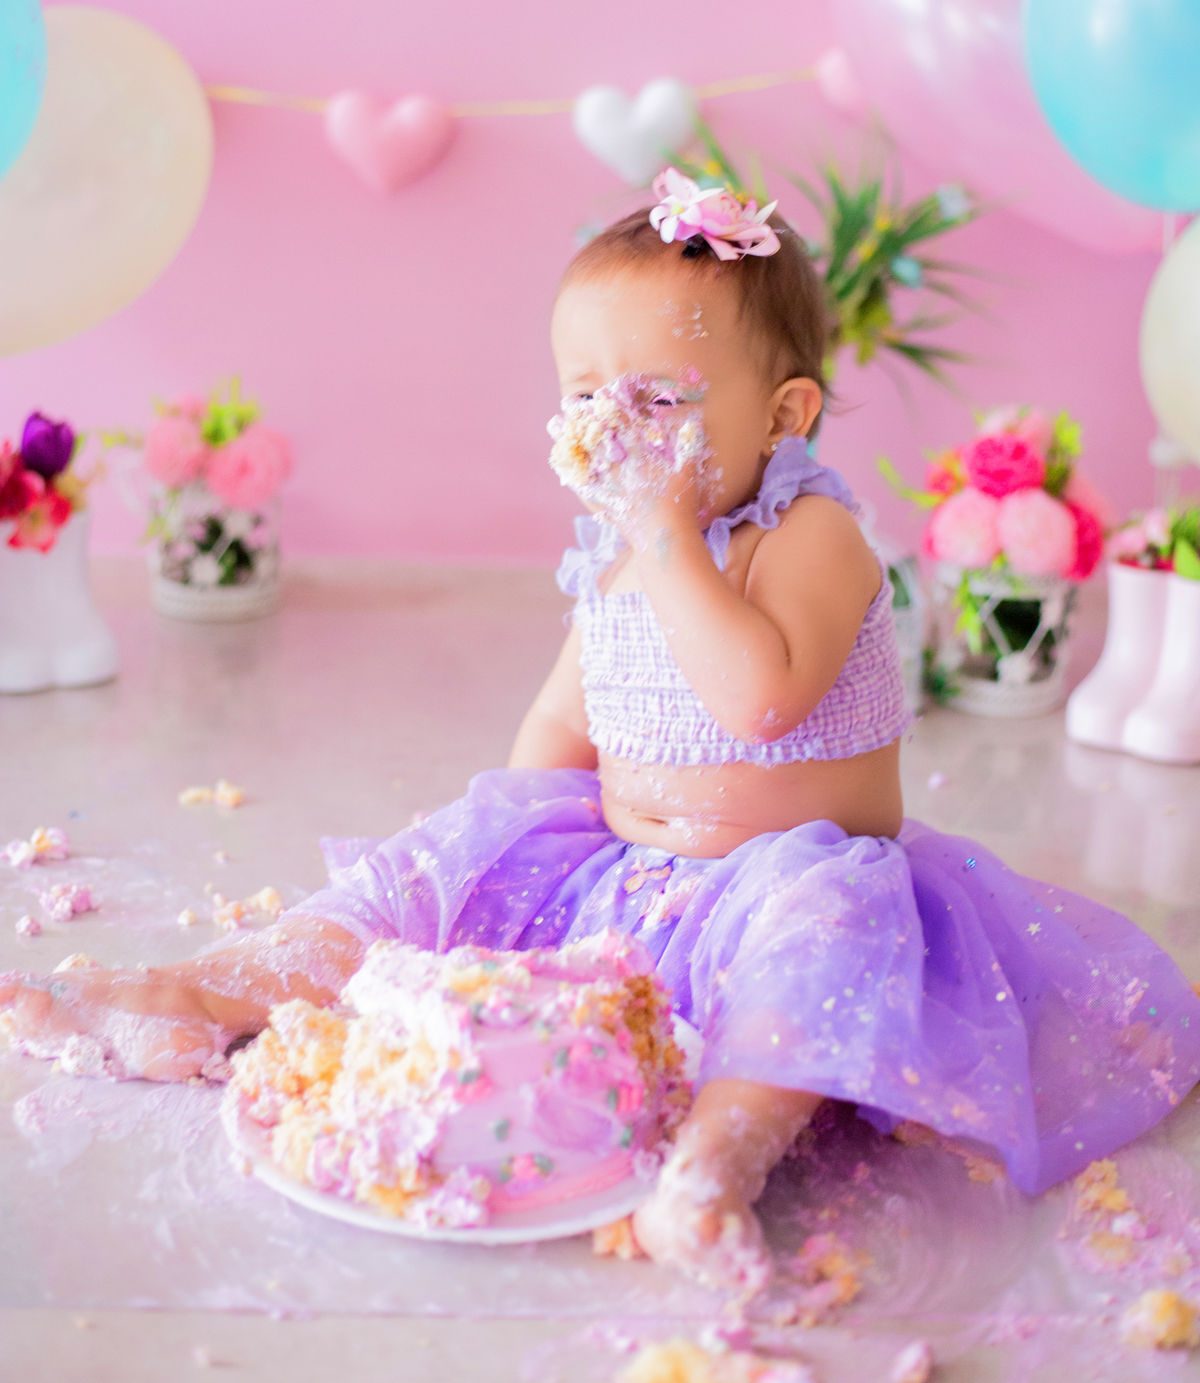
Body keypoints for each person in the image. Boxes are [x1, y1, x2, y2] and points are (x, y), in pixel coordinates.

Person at [4, 171, 1198, 1296]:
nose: (613, 426)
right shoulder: (625, 556)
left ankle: (717, 1163)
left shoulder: (811, 540)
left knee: (820, 950)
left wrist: (672, 542)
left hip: (784, 876)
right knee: (420, 874)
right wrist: (496, 875)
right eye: (585, 395)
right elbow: (566, 716)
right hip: (622, 882)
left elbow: (761, 700)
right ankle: (193, 993)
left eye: (660, 399)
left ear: (787, 416)